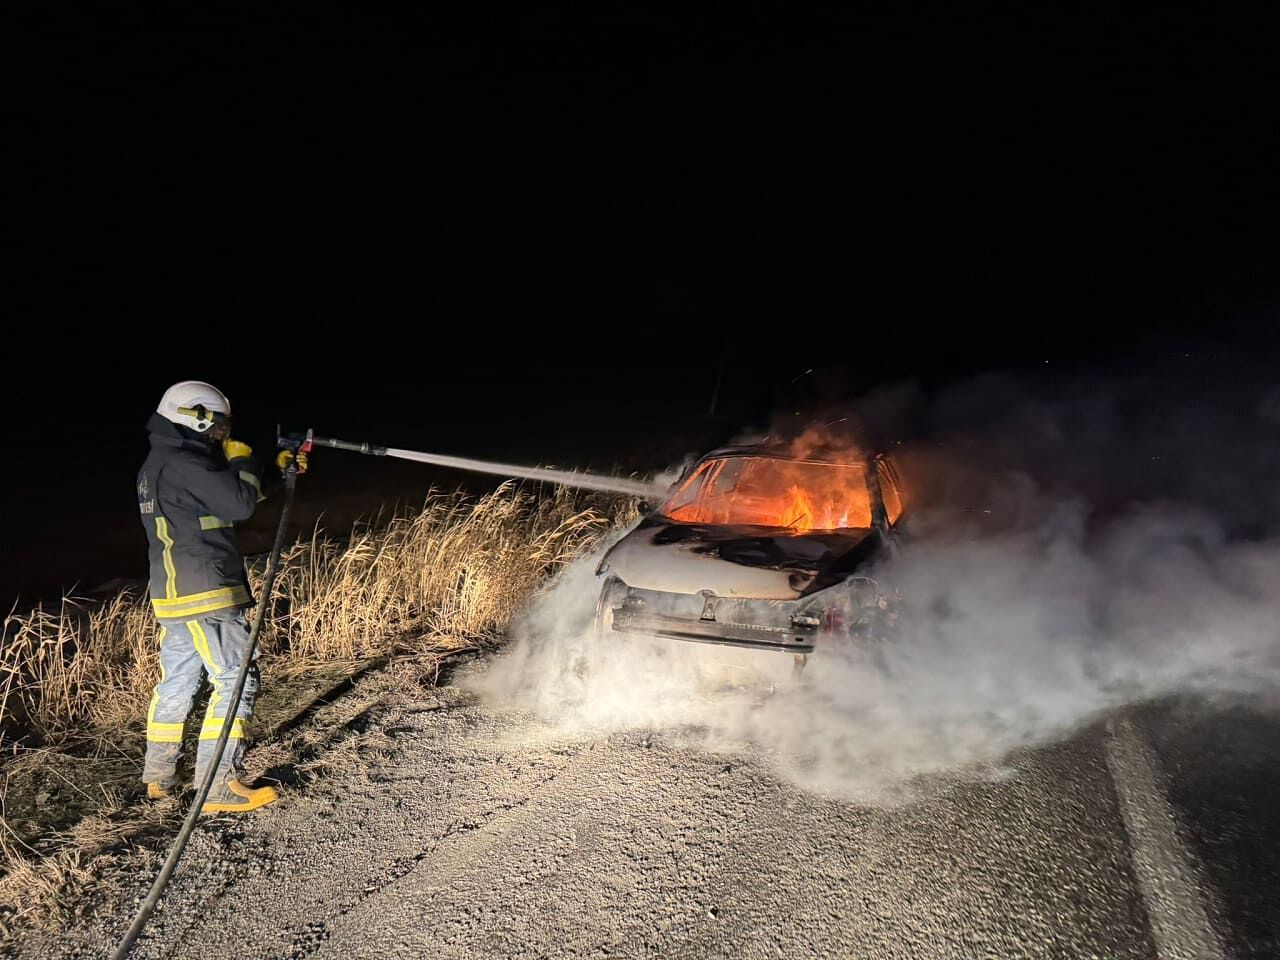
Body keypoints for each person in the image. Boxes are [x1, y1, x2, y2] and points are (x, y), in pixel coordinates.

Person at [136, 380, 305, 813]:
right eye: (217, 425)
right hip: (207, 591)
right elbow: (239, 506)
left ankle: (159, 776)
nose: (221, 434)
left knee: (178, 683)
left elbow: (231, 498)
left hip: (174, 595)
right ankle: (217, 785)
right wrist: (243, 458)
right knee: (236, 678)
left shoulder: (164, 462)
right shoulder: (186, 462)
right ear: (194, 417)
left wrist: (276, 471)